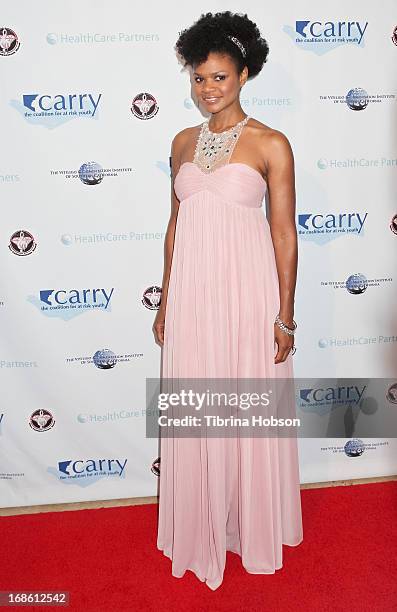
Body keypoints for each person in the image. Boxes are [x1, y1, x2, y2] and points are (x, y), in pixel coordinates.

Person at [153, 10, 303, 591]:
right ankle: (201, 521)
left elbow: (284, 233)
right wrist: (166, 299)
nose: (207, 89)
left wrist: (284, 314)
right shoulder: (182, 142)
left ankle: (248, 523)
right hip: (191, 296)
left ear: (244, 74)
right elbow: (175, 224)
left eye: (219, 76)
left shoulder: (271, 143)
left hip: (247, 296)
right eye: (198, 78)